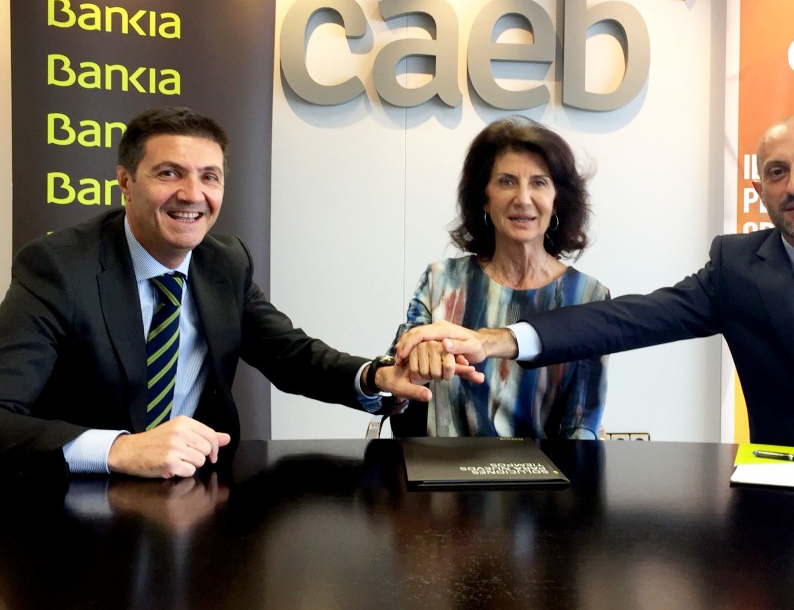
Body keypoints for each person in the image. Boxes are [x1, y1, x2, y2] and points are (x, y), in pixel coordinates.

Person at [396, 113, 794, 490]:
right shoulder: (740, 269)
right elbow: (630, 318)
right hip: (793, 506)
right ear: (759, 188)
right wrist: (498, 339)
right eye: (777, 172)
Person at [0, 106, 479, 480]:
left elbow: (291, 356)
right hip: (81, 500)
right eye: (169, 173)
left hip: (198, 493)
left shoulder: (224, 262)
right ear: (126, 182)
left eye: (209, 176)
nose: (193, 194)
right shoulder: (59, 268)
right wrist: (119, 448)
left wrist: (375, 376)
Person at [389, 116, 609, 439]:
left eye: (539, 183)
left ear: (557, 200)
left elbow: (581, 425)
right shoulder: (441, 282)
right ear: (484, 197)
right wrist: (415, 368)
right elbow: (393, 392)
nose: (523, 198)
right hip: (445, 470)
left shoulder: (587, 297)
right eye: (507, 182)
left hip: (548, 471)